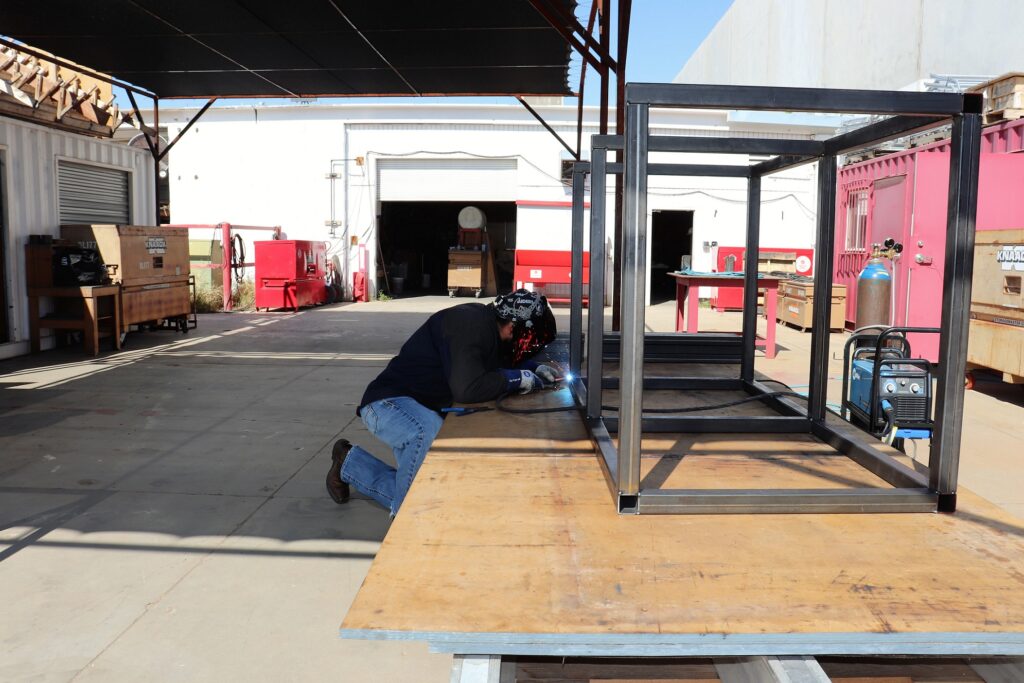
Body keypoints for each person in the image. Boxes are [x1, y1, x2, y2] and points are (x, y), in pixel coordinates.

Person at [326, 289, 558, 515]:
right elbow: (467, 389)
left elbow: (495, 364)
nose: (528, 347)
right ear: (512, 326)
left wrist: (532, 369)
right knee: (426, 433)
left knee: (427, 485)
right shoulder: (470, 325)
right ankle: (410, 518)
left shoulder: (489, 327)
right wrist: (517, 378)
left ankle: (350, 463)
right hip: (387, 404)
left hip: (418, 404)